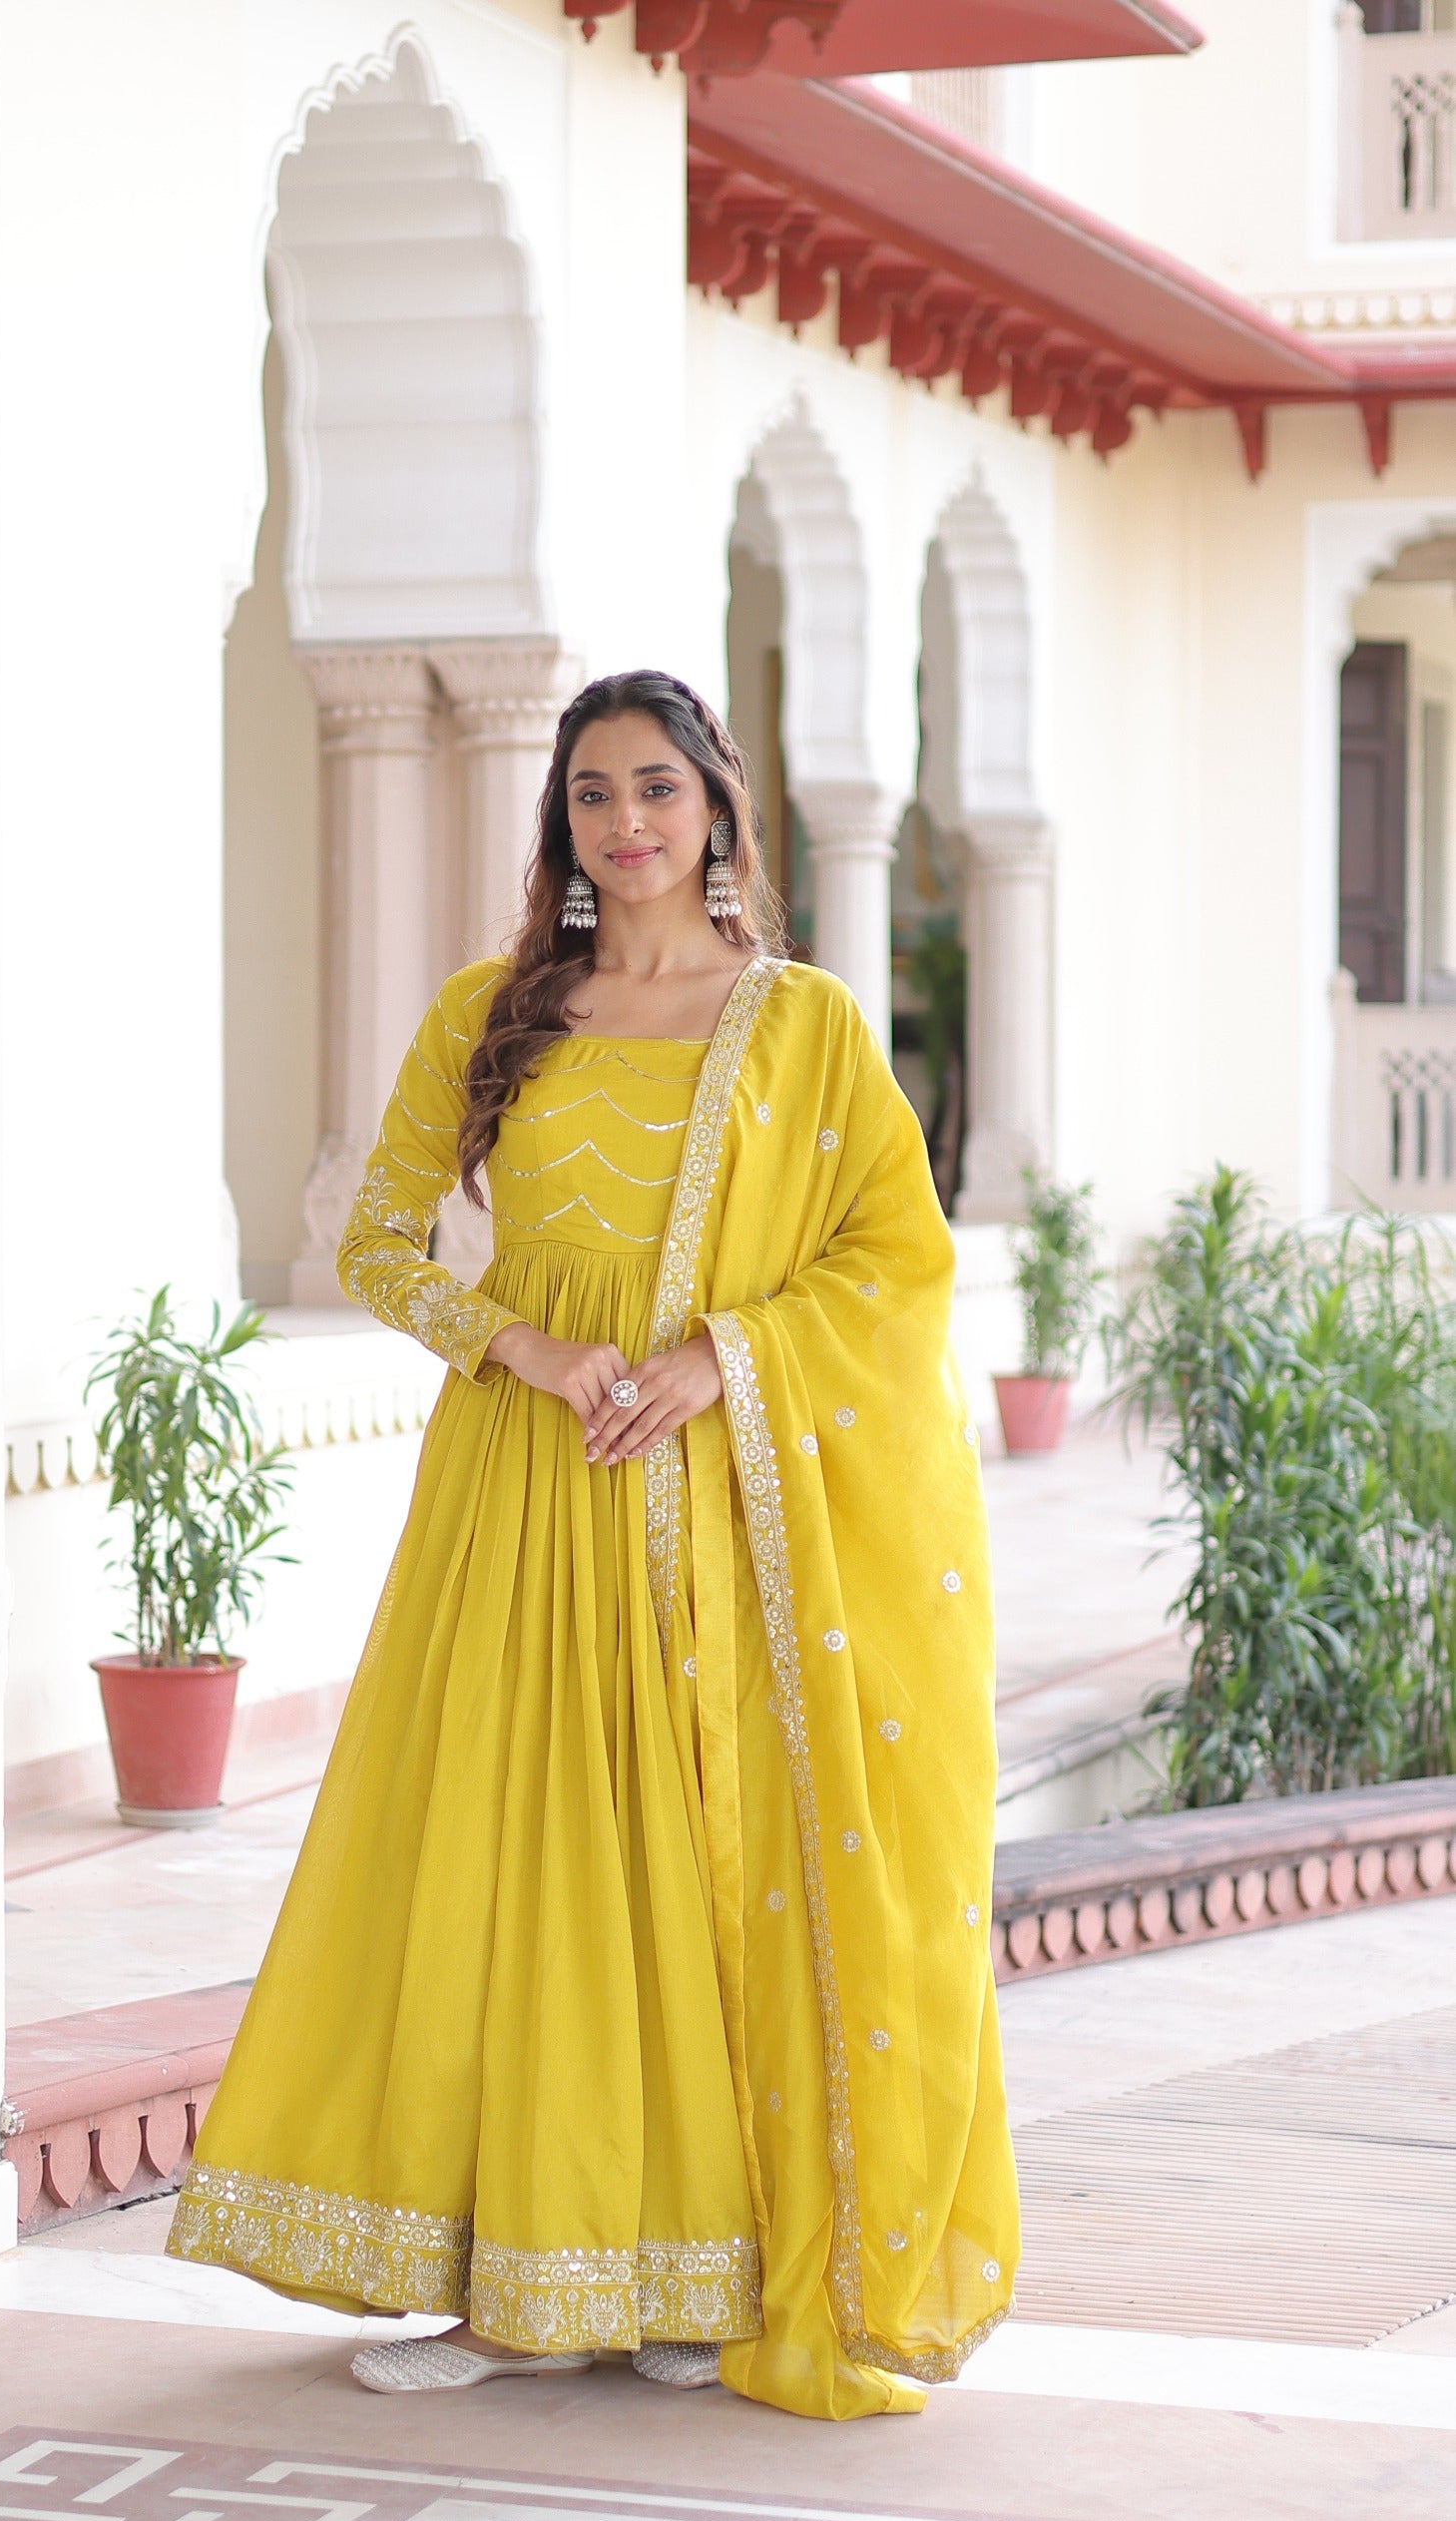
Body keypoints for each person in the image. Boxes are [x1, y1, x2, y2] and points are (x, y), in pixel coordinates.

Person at [168, 670, 1018, 2420]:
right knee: (518, 1861)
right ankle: (510, 2280)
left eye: (653, 789)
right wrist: (521, 1345)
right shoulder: (495, 1014)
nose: (623, 826)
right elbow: (379, 1237)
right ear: (557, 824)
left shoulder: (799, 1029)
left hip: (719, 1511)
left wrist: (721, 1360)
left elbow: (892, 1261)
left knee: (695, 1863)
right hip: (522, 1488)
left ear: (716, 805)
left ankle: (685, 2274)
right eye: (588, 797)